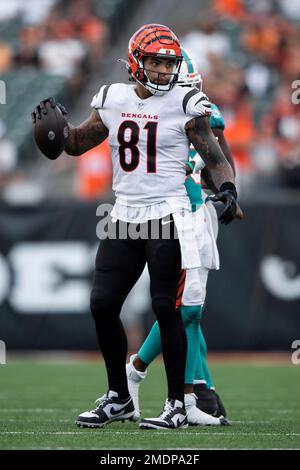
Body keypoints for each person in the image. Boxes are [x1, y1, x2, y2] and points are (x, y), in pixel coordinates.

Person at [32, 24, 238, 430]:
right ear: (135, 62)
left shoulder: (186, 103)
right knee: (102, 304)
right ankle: (119, 398)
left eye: (168, 63)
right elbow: (77, 142)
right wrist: (56, 136)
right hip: (123, 215)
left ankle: (177, 404)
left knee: (167, 307)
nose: (163, 71)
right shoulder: (112, 98)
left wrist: (228, 187)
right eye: (155, 62)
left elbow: (213, 156)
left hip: (168, 213)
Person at [125, 48, 237, 425]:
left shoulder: (203, 115)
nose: (187, 93)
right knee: (184, 308)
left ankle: (198, 390)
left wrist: (227, 194)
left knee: (192, 308)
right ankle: (141, 372)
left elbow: (219, 160)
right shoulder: (147, 113)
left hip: (193, 212)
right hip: (169, 216)